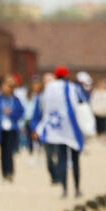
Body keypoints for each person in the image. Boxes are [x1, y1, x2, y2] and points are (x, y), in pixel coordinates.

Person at [33, 66, 88, 197]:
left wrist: (40, 128)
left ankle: (64, 189)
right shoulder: (73, 87)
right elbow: (83, 102)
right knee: (75, 161)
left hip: (58, 129)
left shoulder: (49, 89)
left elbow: (45, 109)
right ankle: (77, 188)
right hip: (73, 128)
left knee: (62, 160)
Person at [0, 75, 25, 181]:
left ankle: (10, 172)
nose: (8, 88)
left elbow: (21, 113)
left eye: (10, 86)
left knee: (10, 151)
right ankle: (4, 173)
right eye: (6, 86)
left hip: (11, 128)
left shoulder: (16, 100)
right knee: (3, 152)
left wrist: (12, 113)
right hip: (0, 128)